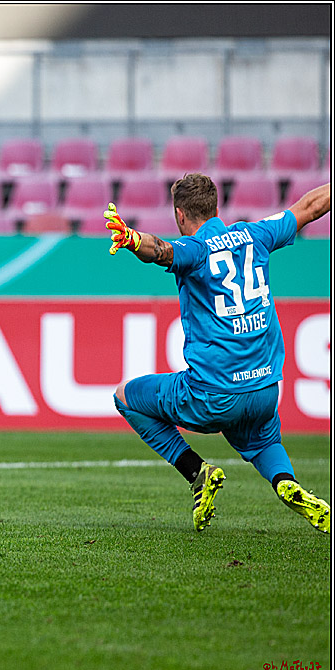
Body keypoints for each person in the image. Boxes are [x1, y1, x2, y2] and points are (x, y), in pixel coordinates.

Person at [106, 173, 330, 533]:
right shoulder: (257, 234)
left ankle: (197, 472)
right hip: (264, 388)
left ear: (180, 215)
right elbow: (309, 206)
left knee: (126, 397)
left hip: (214, 394)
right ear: (215, 207)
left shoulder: (195, 249)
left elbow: (160, 250)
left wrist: (132, 239)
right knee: (263, 440)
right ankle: (285, 481)